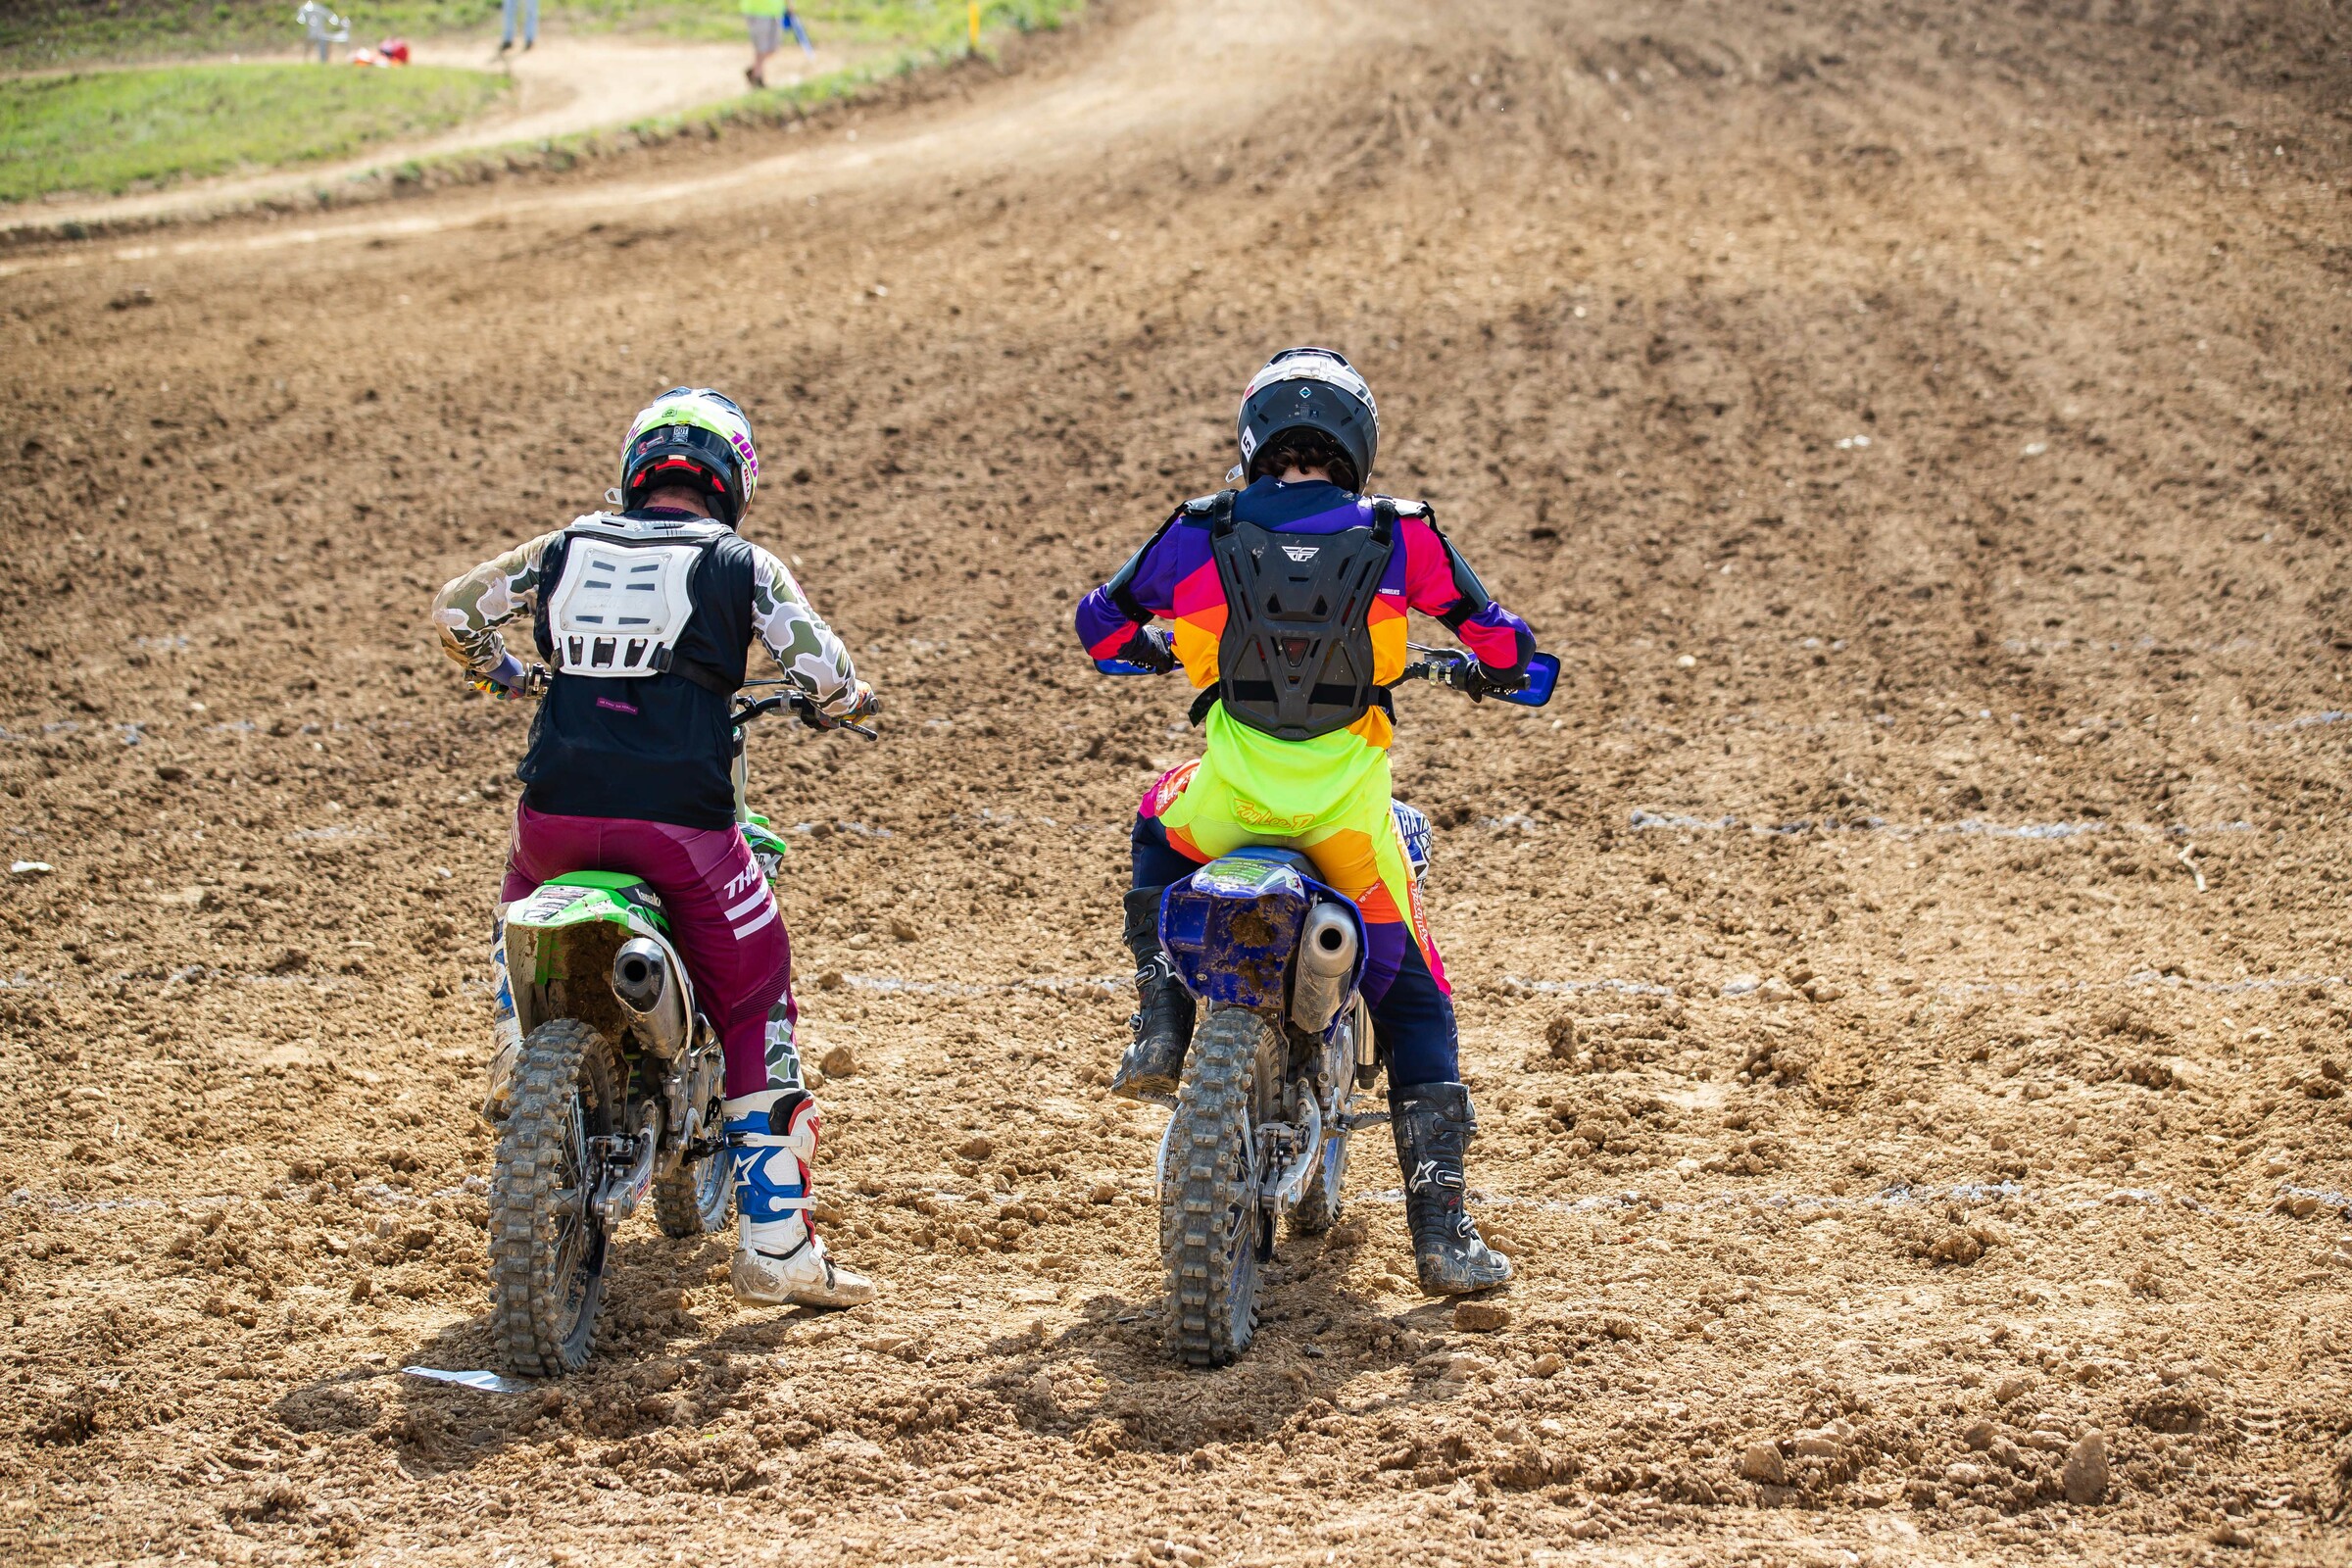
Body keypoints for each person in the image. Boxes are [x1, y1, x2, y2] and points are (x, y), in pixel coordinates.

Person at [1074, 348, 1535, 1296]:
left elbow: (1101, 626)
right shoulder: (1402, 537)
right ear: (1357, 442)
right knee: (1418, 1006)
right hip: (1345, 824)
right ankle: (1442, 1235)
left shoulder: (1199, 530)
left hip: (1227, 810)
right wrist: (1496, 668)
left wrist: (1160, 647)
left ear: (1254, 437)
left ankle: (1161, 1017)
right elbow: (1502, 642)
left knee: (1155, 821)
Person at [431, 387, 880, 1309]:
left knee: (514, 907)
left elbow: (458, 609)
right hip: (684, 830)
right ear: (733, 481)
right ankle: (778, 1244)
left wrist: (507, 676)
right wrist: (848, 703)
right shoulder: (742, 564)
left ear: (636, 469)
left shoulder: (562, 547)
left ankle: (516, 1039)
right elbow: (822, 670)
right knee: (758, 997)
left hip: (553, 821)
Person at [742, 2, 814, 88]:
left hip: (776, 11)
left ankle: (755, 70)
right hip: (757, 12)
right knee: (762, 48)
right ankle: (757, 76)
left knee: (773, 48)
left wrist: (789, 3)